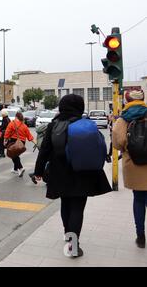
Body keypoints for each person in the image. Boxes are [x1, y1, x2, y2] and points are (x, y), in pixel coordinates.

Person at [34, 94, 112, 258]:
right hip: (82, 173)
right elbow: (99, 147)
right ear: (80, 107)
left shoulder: (54, 124)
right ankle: (73, 245)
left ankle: (68, 235)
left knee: (65, 204)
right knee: (77, 207)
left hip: (60, 172)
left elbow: (44, 150)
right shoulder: (85, 124)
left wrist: (38, 171)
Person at [112, 88, 147, 248]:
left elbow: (117, 143)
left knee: (139, 200)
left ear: (127, 101)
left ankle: (140, 236)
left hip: (133, 164)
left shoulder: (123, 119)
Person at [4, 112, 35, 177]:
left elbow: (7, 132)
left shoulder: (12, 123)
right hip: (22, 143)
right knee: (16, 155)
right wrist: (36, 144)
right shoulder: (24, 125)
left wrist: (5, 140)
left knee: (12, 154)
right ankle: (15, 169)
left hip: (13, 141)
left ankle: (20, 168)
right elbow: (30, 136)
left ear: (16, 117)